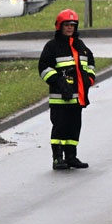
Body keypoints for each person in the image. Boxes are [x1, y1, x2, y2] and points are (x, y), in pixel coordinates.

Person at [38, 9, 95, 170]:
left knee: (74, 127)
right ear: (60, 26)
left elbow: (90, 62)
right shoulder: (52, 46)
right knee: (59, 128)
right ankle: (57, 158)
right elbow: (43, 68)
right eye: (66, 25)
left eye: (72, 25)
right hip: (59, 98)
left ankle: (71, 156)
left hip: (78, 98)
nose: (70, 28)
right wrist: (59, 82)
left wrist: (89, 79)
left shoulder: (80, 46)